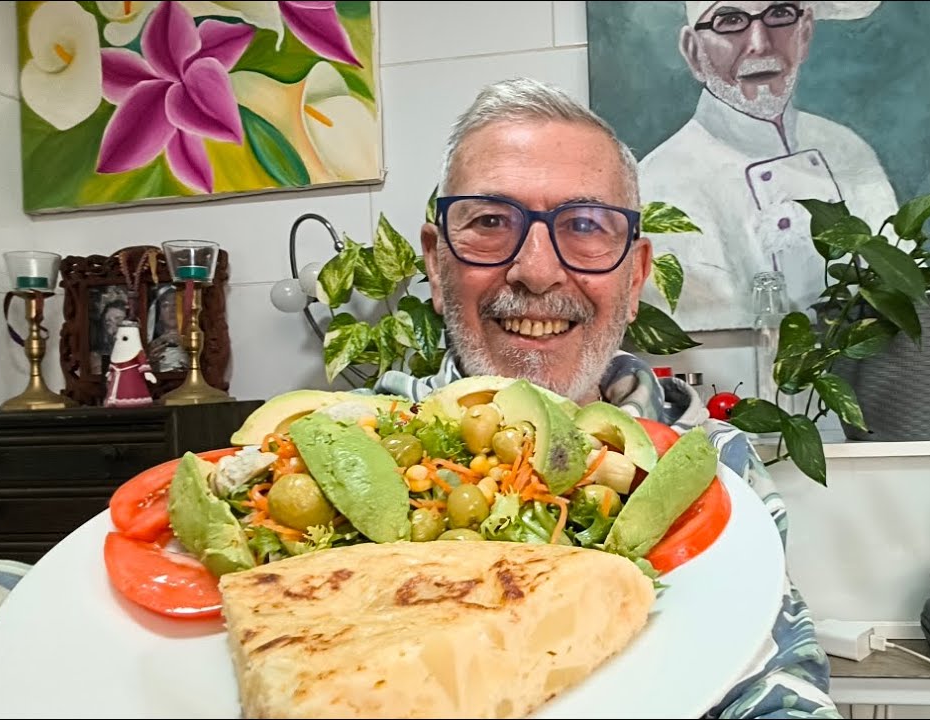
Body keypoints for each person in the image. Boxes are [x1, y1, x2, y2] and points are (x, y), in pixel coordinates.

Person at [371, 77, 843, 718]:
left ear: (637, 272)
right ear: (435, 260)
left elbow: (776, 689)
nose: (536, 270)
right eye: (489, 221)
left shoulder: (716, 467)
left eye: (585, 225)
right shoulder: (360, 443)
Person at [638, 0, 898, 331]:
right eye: (730, 20)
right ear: (693, 51)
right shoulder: (661, 182)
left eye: (779, 14)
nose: (760, 43)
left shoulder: (846, 149)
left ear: (804, 32)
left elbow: (899, 291)